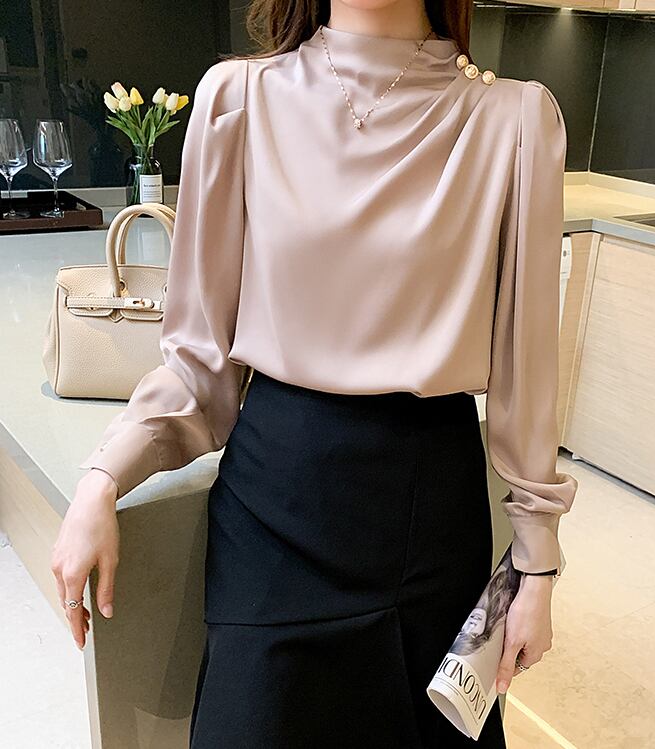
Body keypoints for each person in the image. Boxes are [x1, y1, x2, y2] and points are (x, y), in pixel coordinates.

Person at [50, 1, 578, 746]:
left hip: (427, 518)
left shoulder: (512, 121)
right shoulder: (238, 100)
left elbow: (528, 368)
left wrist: (537, 564)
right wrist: (102, 478)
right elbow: (200, 363)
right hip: (273, 517)